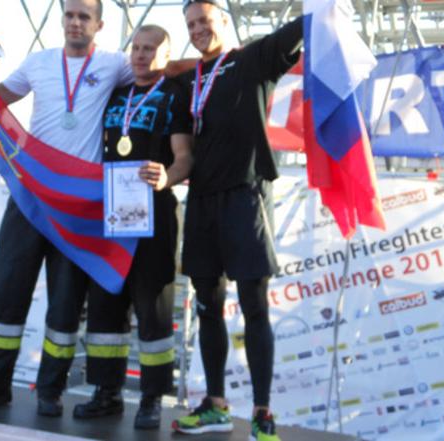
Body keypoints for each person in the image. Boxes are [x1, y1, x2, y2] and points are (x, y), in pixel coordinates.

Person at [0, 0, 134, 417]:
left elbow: (152, 68)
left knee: (65, 304)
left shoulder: (114, 64)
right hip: (30, 195)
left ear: (99, 24)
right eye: (69, 15)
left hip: (76, 206)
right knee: (5, 291)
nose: (74, 22)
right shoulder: (37, 62)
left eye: (84, 16)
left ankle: (50, 389)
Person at [171, 1, 302, 439]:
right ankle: (216, 405)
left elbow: (304, 27)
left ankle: (263, 414)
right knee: (207, 307)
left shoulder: (252, 60)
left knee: (254, 307)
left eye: (204, 21)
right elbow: (182, 154)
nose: (197, 30)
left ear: (225, 21)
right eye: (190, 24)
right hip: (202, 202)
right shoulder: (187, 82)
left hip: (246, 197)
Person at [72, 25, 193, 430]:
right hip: (109, 217)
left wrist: (168, 178)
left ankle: (152, 398)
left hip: (154, 214)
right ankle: (106, 393)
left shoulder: (175, 94)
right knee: (106, 305)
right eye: (136, 48)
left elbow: (184, 156)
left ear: (166, 55)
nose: (140, 56)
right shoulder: (115, 93)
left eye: (150, 50)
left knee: (153, 309)